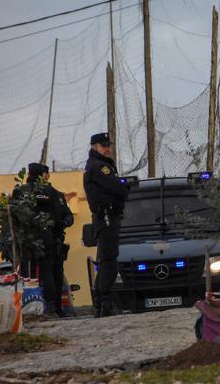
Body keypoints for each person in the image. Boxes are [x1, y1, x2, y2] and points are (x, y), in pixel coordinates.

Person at [83, 133, 128, 317]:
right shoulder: (99, 167)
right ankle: (105, 304)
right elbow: (119, 189)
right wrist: (124, 188)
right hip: (107, 217)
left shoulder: (95, 165)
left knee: (105, 261)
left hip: (105, 217)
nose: (107, 149)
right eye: (103, 146)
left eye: (108, 145)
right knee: (109, 261)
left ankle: (102, 303)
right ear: (94, 147)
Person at [12, 163, 63, 318]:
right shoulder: (51, 192)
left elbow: (13, 214)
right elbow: (59, 215)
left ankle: (25, 308)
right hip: (46, 237)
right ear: (42, 175)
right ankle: (50, 308)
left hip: (26, 237)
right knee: (47, 272)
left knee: (25, 273)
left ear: (28, 173)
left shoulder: (19, 191)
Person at [43, 165, 74, 317]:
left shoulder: (56, 195)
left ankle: (55, 308)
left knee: (55, 273)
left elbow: (69, 217)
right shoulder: (25, 194)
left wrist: (64, 223)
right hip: (38, 243)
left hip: (54, 240)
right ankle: (52, 308)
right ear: (45, 175)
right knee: (51, 273)